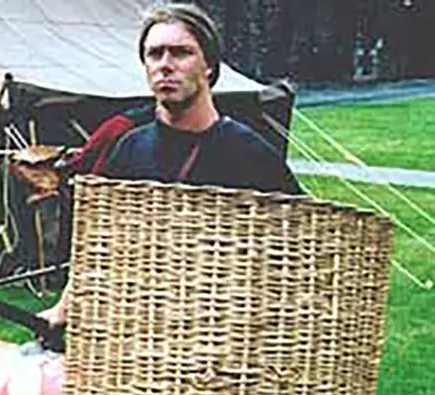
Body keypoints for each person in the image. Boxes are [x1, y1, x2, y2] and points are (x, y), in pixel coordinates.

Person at [40, 2, 301, 327]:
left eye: (180, 53)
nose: (165, 65)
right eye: (155, 54)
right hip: (139, 331)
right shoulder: (129, 150)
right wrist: (63, 308)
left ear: (209, 65)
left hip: (220, 338)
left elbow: (301, 253)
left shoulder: (250, 155)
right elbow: (98, 246)